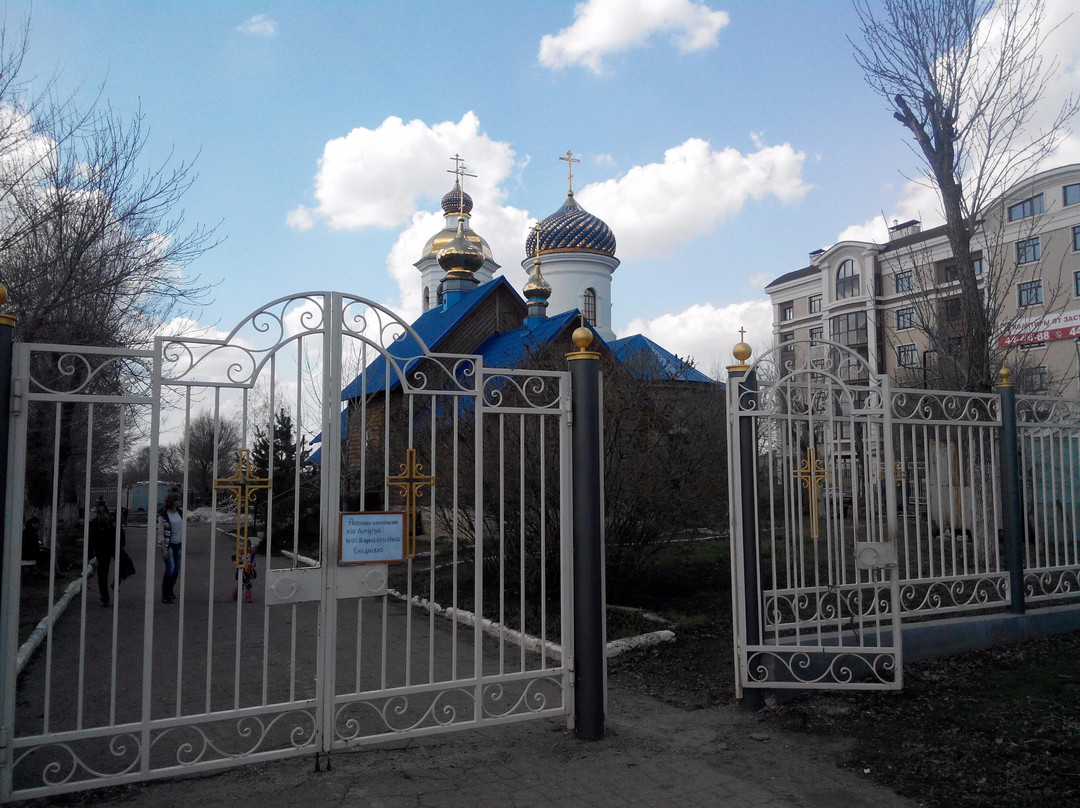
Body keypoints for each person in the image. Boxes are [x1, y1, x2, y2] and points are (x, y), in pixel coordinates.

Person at [89, 502, 125, 607]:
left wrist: (122, 545)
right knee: (102, 574)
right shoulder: (94, 524)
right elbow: (91, 540)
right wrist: (91, 556)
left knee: (124, 564)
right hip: (101, 551)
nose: (103, 516)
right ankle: (104, 598)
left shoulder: (112, 521)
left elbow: (120, 532)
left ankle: (115, 583)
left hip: (114, 548)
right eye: (100, 514)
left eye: (104, 513)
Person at [156, 492, 184, 603]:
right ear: (172, 501)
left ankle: (170, 590)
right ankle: (165, 594)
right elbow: (161, 533)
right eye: (178, 499)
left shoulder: (180, 512)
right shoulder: (164, 515)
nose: (180, 501)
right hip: (169, 545)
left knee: (177, 569)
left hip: (179, 543)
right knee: (170, 568)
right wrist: (164, 549)